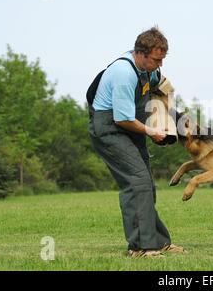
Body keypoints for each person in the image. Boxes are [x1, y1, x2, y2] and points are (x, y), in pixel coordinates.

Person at [87, 27, 186, 258]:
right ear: (140, 53)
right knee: (137, 182)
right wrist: (152, 131)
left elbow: (164, 89)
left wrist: (167, 117)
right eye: (155, 59)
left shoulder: (148, 71)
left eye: (162, 60)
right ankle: (140, 247)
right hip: (110, 129)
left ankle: (159, 242)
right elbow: (122, 119)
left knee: (146, 185)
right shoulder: (124, 72)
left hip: (131, 129)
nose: (159, 65)